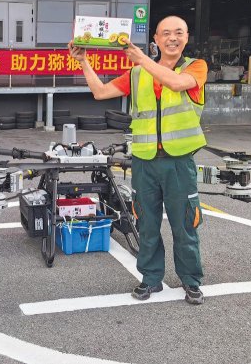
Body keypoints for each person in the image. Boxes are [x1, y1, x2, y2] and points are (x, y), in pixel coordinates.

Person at [67, 16, 208, 305]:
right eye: (165, 33)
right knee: (146, 222)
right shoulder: (136, 73)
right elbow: (100, 92)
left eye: (178, 33)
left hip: (179, 162)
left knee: (184, 224)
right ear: (156, 38)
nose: (172, 38)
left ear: (186, 37)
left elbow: (176, 84)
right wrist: (83, 62)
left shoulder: (195, 67)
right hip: (144, 162)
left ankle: (191, 281)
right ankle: (151, 278)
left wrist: (142, 58)